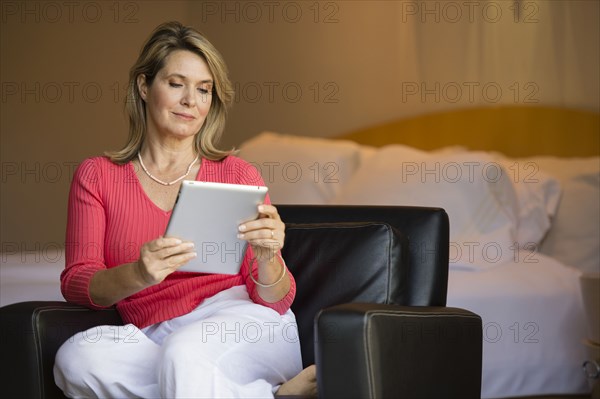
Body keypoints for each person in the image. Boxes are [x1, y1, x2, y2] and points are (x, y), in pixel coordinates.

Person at [53, 21, 316, 398]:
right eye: (176, 84)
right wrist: (139, 273)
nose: (191, 101)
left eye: (203, 89)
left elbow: (276, 299)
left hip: (241, 322)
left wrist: (269, 256)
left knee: (184, 355)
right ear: (144, 87)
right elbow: (78, 282)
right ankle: (269, 396)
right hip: (152, 334)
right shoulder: (97, 175)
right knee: (77, 359)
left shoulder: (235, 173)